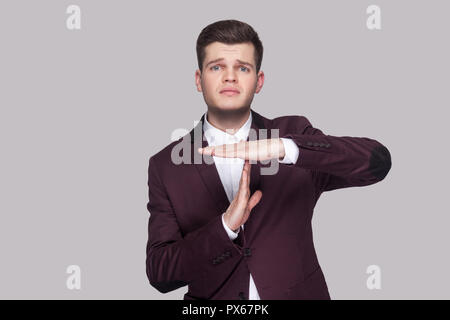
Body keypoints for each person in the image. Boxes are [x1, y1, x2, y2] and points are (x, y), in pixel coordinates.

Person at [145, 19, 392, 300]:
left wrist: (284, 148)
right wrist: (225, 227)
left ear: (258, 81)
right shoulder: (166, 165)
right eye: (217, 67)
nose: (230, 77)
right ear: (199, 80)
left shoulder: (294, 134)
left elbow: (376, 163)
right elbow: (160, 274)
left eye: (243, 68)